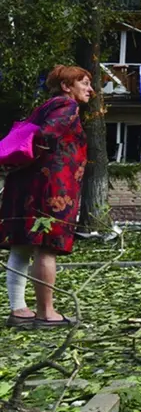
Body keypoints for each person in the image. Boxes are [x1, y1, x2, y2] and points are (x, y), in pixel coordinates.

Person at [2, 65, 93, 329]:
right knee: (47, 246)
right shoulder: (67, 106)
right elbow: (44, 137)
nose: (91, 89)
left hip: (25, 184)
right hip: (51, 188)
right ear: (67, 86)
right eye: (84, 83)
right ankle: (46, 313)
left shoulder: (45, 107)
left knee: (21, 245)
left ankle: (18, 310)